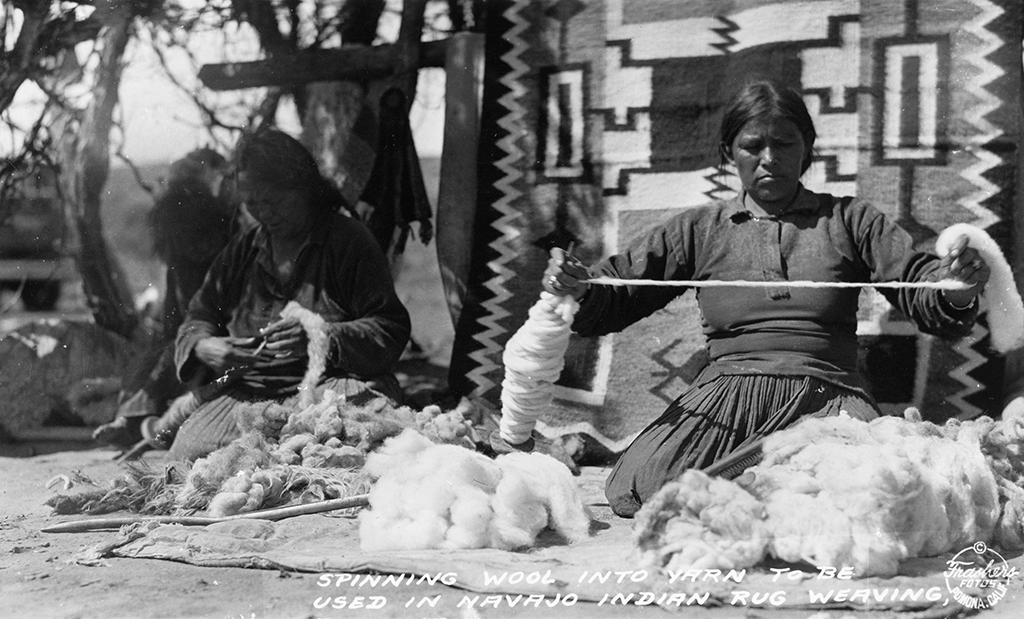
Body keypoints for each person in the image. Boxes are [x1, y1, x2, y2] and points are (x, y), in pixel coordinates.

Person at [541, 81, 991, 517]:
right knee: (644, 483)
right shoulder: (701, 229)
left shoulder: (850, 220)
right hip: (728, 395)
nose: (769, 159)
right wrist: (578, 285)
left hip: (829, 397)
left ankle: (765, 487)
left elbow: (919, 283)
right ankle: (774, 486)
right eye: (752, 147)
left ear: (807, 149)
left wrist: (957, 285)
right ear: (728, 154)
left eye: (785, 144)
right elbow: (619, 287)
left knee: (874, 486)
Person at [166, 127, 412, 461]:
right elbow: (200, 316)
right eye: (252, 204)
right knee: (189, 454)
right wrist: (204, 346)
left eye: (274, 202)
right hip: (252, 395)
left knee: (340, 447)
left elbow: (390, 326)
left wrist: (320, 336)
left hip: (331, 388)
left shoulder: (348, 241)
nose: (264, 214)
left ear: (304, 188)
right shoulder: (245, 248)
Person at [94, 148, 235, 449]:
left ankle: (137, 423)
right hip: (190, 333)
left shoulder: (223, 245)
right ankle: (130, 420)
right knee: (153, 358)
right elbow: (175, 305)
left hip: (218, 338)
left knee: (170, 361)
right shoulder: (179, 252)